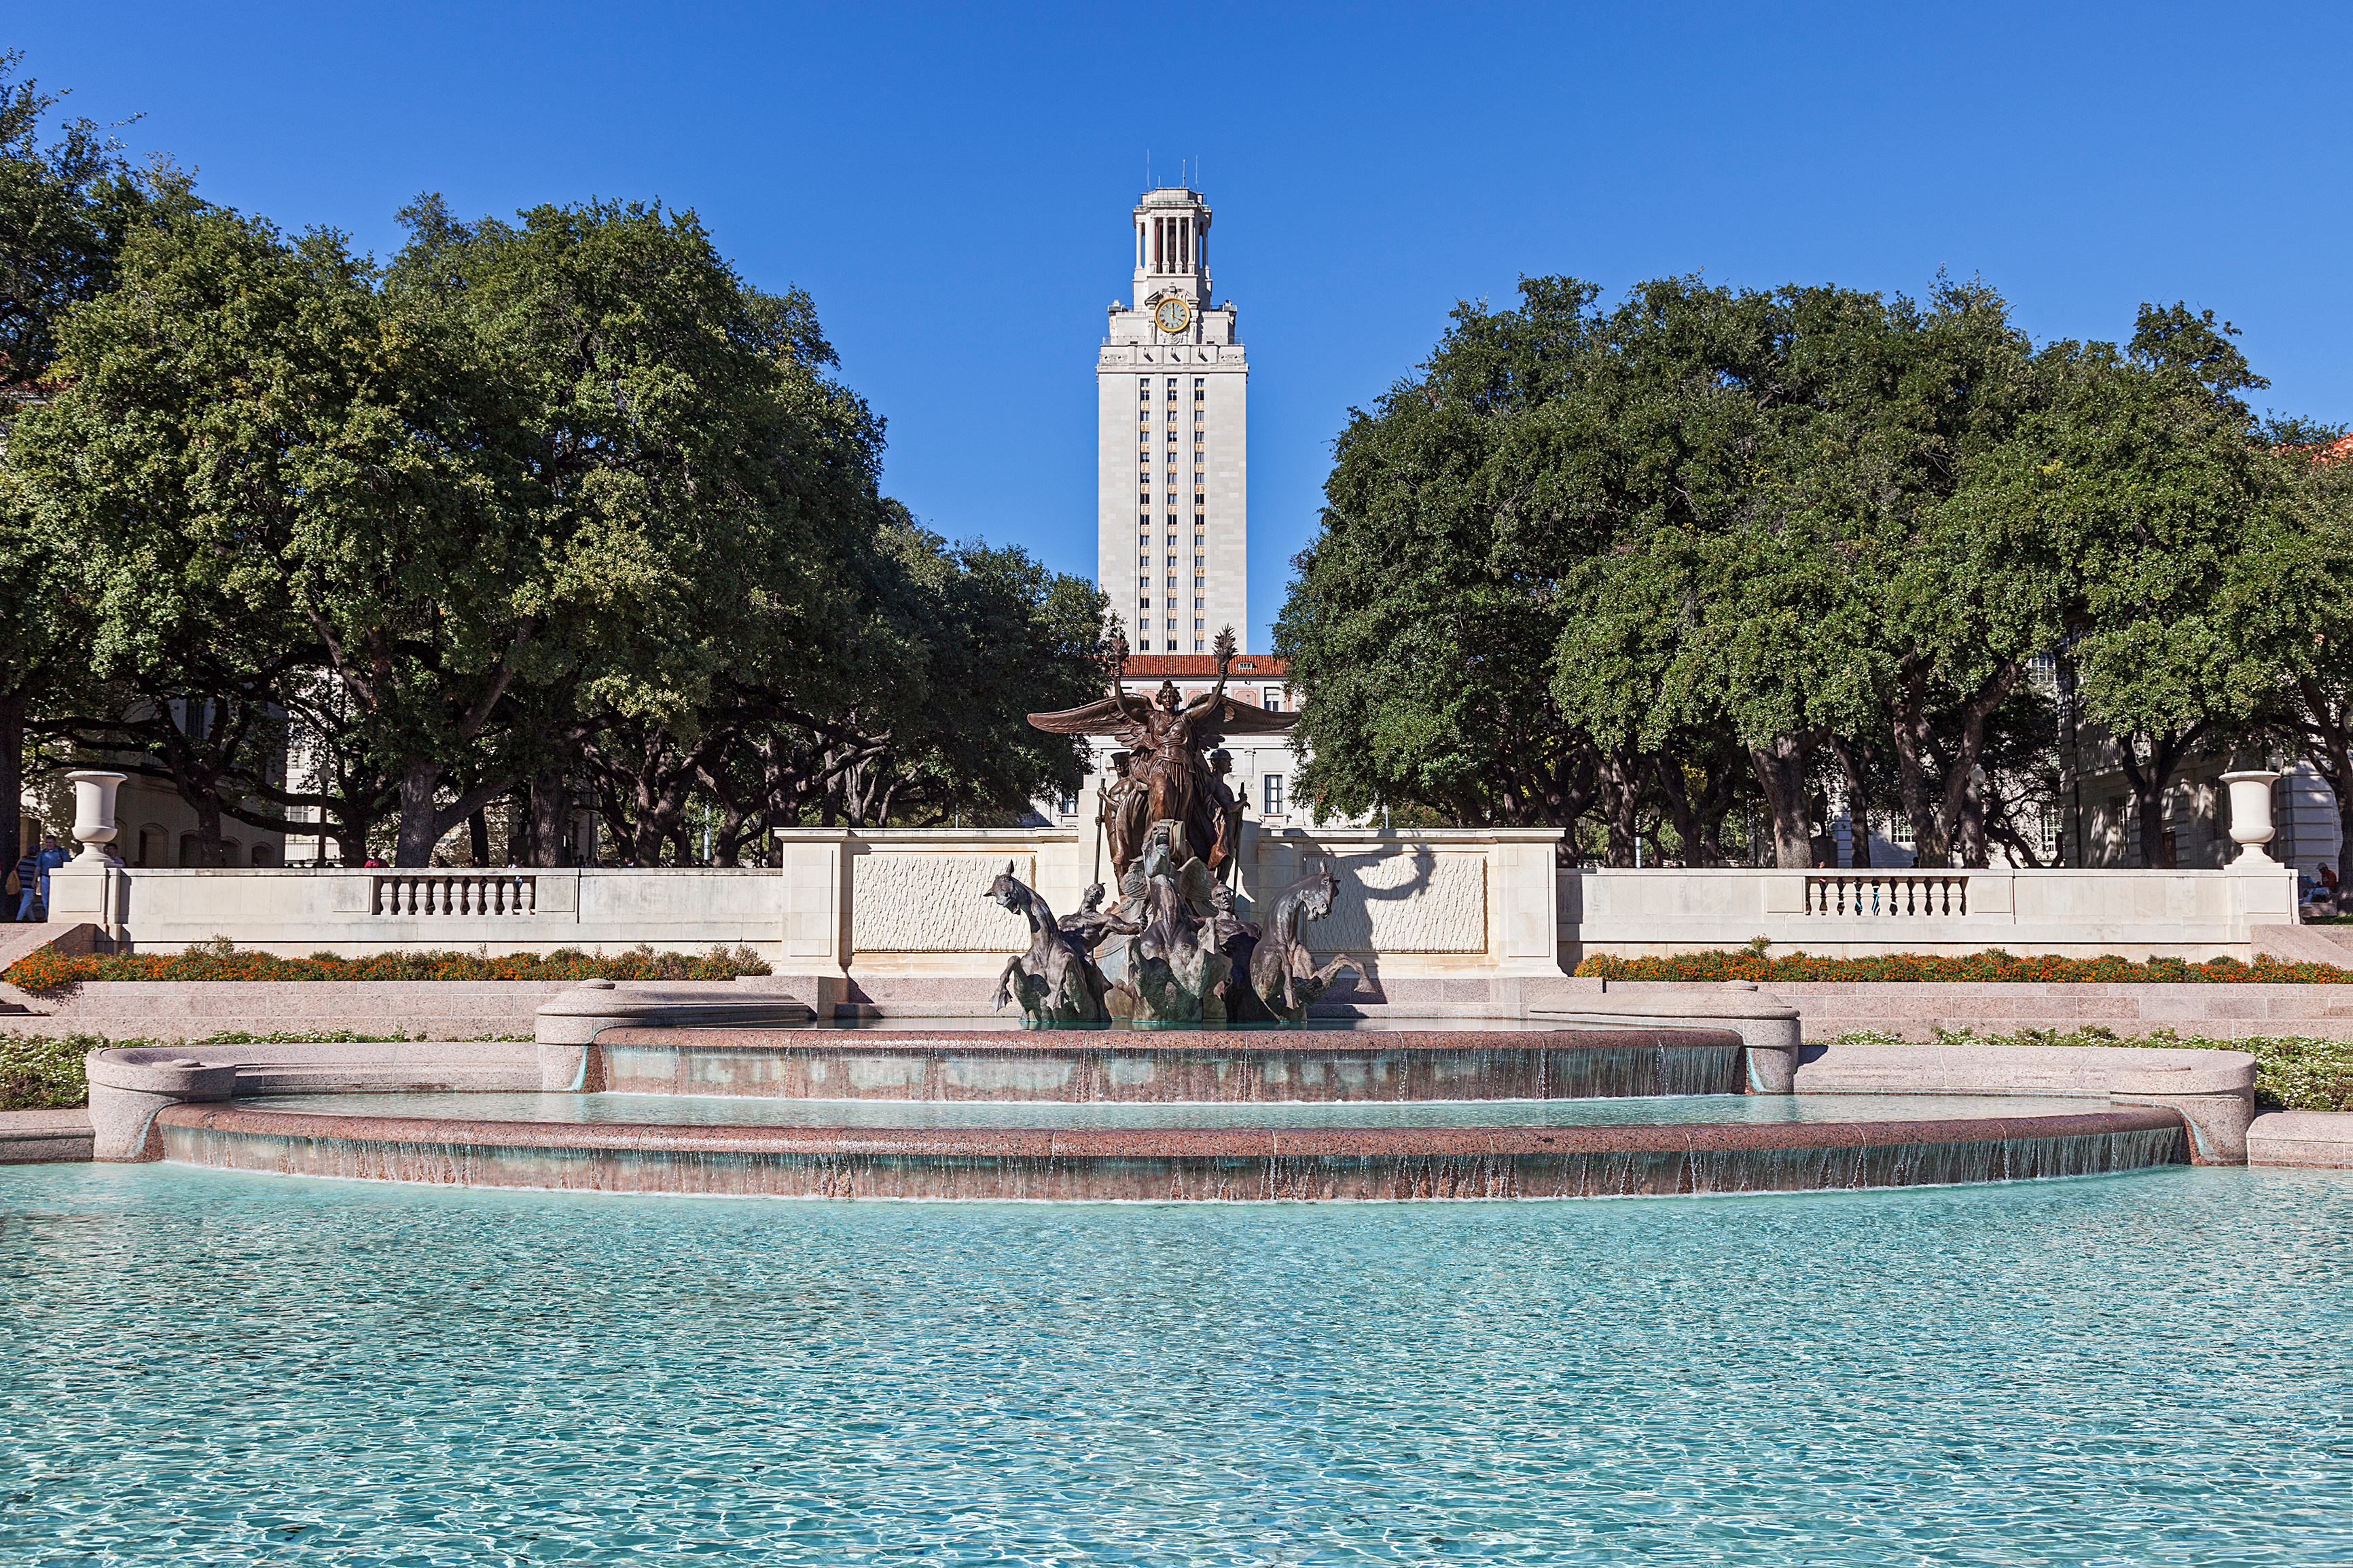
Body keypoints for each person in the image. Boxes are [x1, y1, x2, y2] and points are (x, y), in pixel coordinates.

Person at [33, 834, 67, 920]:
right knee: (45, 897)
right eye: (47, 843)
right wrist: (35, 880)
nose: (48, 845)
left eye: (50, 843)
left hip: (58, 878)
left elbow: (67, 865)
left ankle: (57, 916)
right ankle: (47, 916)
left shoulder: (61, 852)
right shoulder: (43, 853)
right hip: (45, 878)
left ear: (55, 842)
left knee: (57, 897)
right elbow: (38, 867)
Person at [12, 843, 38, 922]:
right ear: (37, 853)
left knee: (28, 904)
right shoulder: (36, 862)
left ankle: (33, 919)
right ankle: (18, 919)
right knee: (25, 904)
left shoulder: (22, 860)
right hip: (30, 886)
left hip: (21, 885)